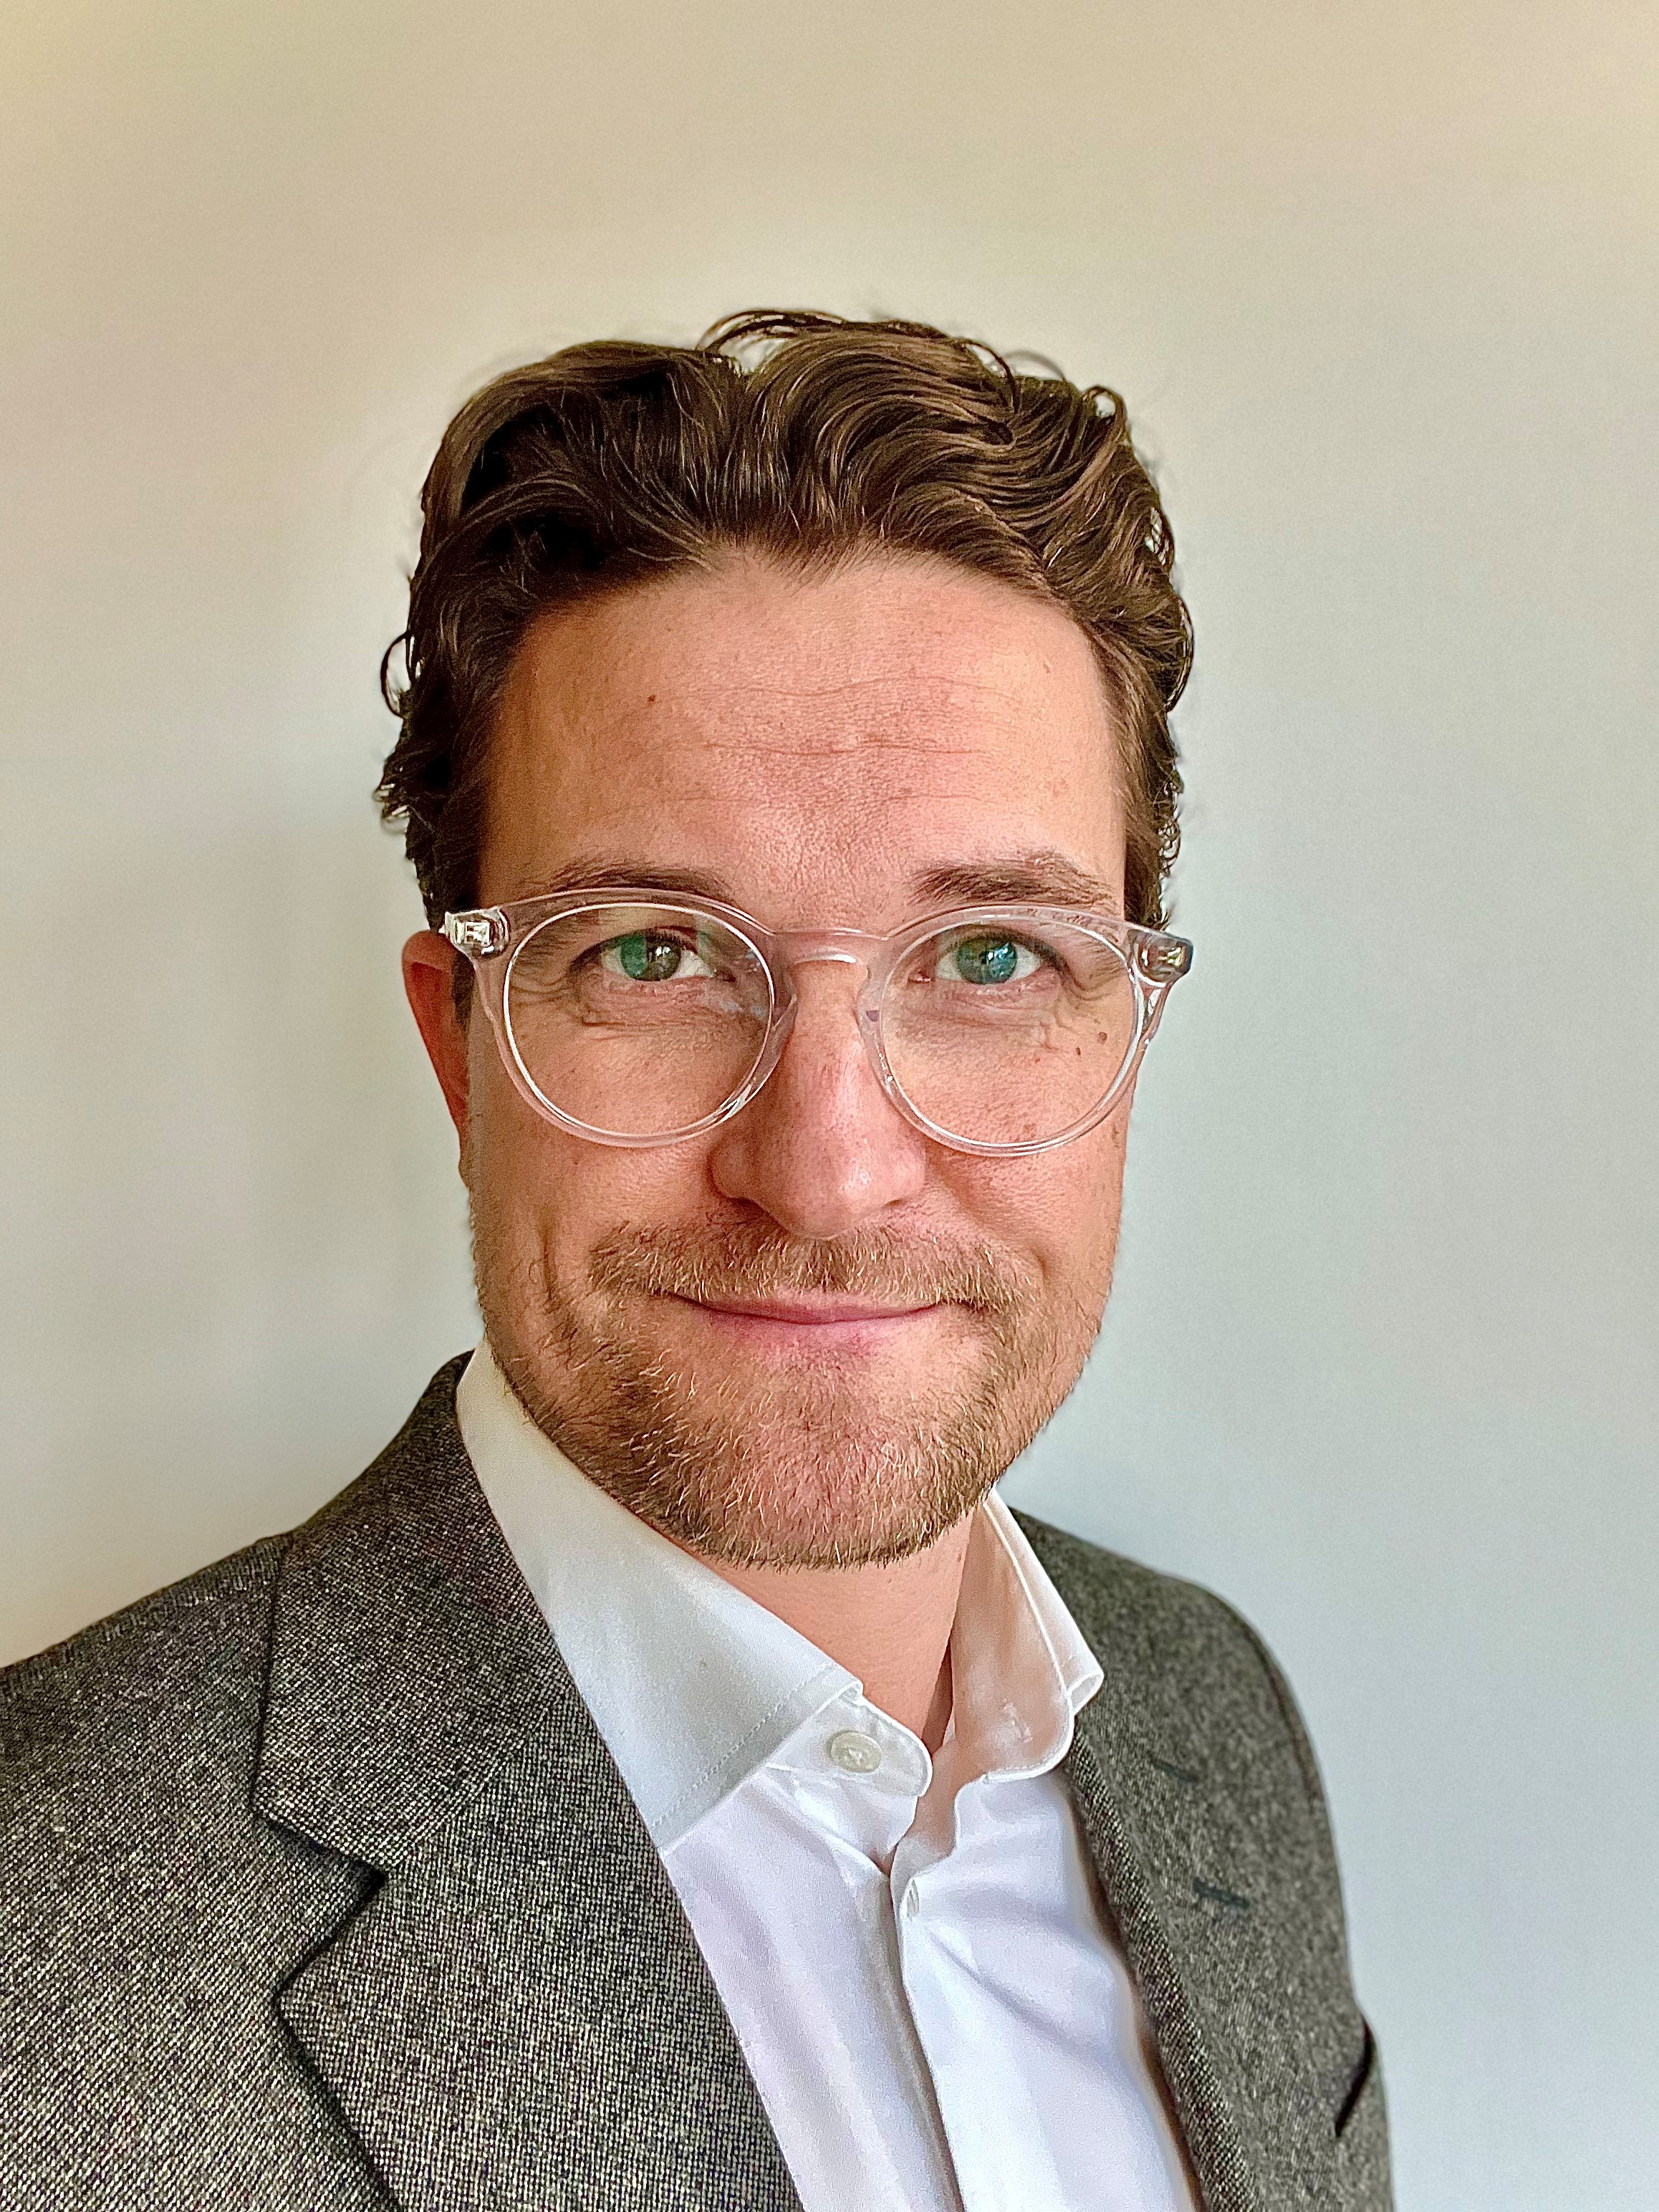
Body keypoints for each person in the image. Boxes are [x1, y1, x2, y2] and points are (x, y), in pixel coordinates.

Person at [0, 312, 1392, 2211]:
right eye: (649, 955)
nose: (824, 1172)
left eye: (993, 957)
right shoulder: (47, 1943)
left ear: (1125, 1035)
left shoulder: (1212, 1715)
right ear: (458, 1049)